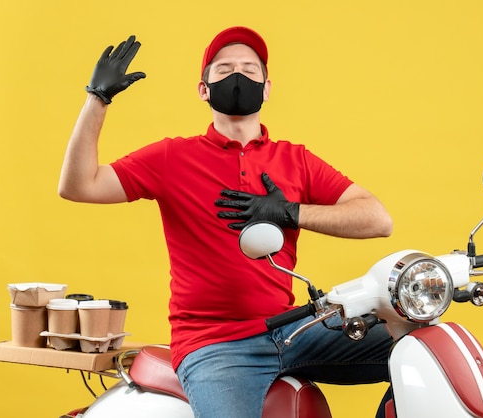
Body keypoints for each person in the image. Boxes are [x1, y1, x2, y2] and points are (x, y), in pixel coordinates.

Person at [59, 26, 395, 418]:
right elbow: (79, 185)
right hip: (215, 345)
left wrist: (290, 212)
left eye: (250, 70)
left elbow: (378, 219)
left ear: (267, 88)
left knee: (420, 347)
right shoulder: (172, 157)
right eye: (224, 70)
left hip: (293, 330)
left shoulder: (296, 160)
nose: (238, 77)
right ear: (203, 89)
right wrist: (97, 100)